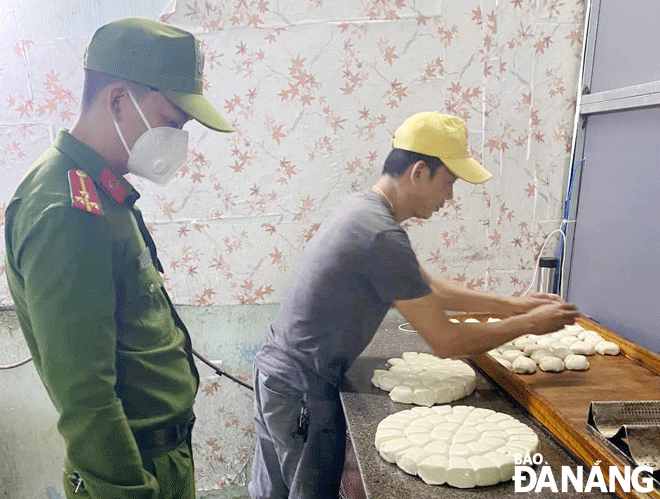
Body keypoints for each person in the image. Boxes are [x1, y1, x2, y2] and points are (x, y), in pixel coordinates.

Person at [248, 111, 579, 499]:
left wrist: (514, 305)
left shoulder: (363, 210)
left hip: (280, 377)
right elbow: (447, 342)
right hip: (303, 388)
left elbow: (428, 288)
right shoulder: (381, 234)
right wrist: (530, 324)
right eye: (449, 182)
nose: (450, 198)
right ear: (419, 172)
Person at [4, 18, 233, 499]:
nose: (179, 139)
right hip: (130, 470)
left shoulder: (101, 190)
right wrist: (129, 491)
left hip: (158, 455)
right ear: (117, 101)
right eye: (173, 121)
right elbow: (85, 396)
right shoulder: (66, 211)